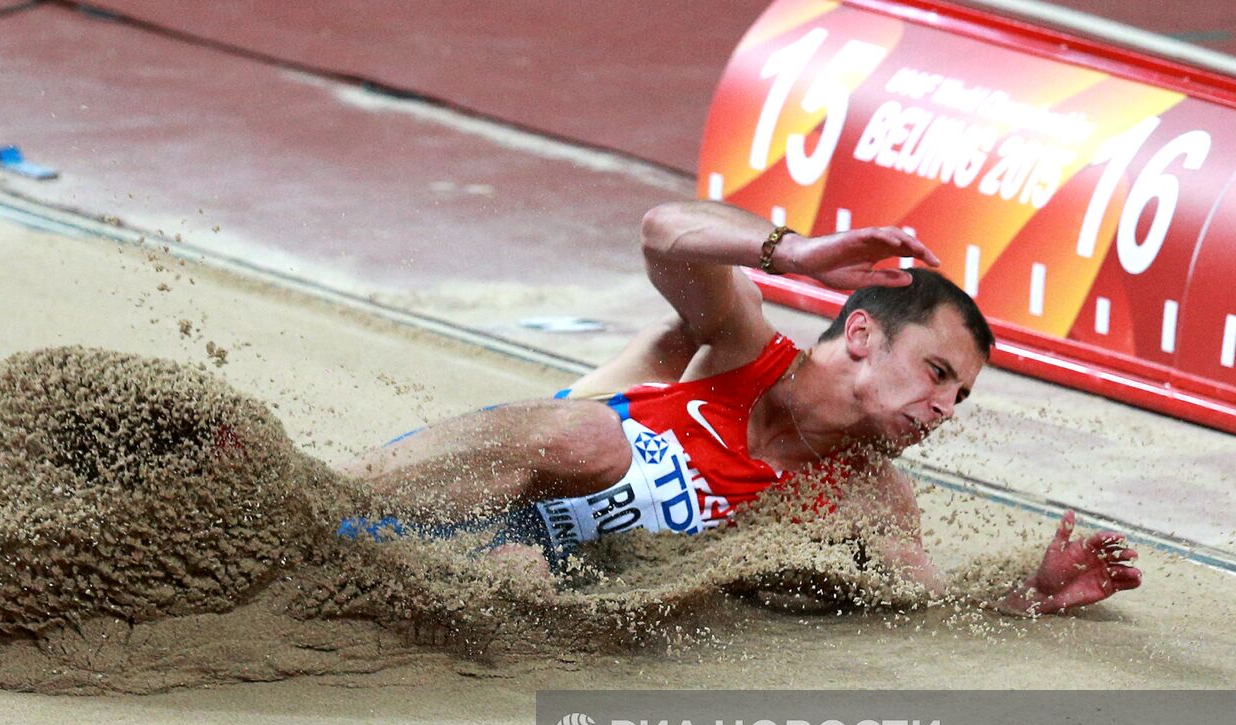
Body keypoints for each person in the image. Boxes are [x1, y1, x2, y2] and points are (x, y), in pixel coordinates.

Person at [343, 201, 1141, 615]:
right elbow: (661, 233)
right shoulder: (742, 349)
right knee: (594, 437)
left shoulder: (869, 498)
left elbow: (920, 603)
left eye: (958, 396)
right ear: (861, 333)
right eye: (936, 373)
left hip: (522, 569)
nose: (945, 410)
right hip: (468, 483)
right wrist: (789, 252)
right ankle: (318, 503)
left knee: (531, 581)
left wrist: (1031, 596)